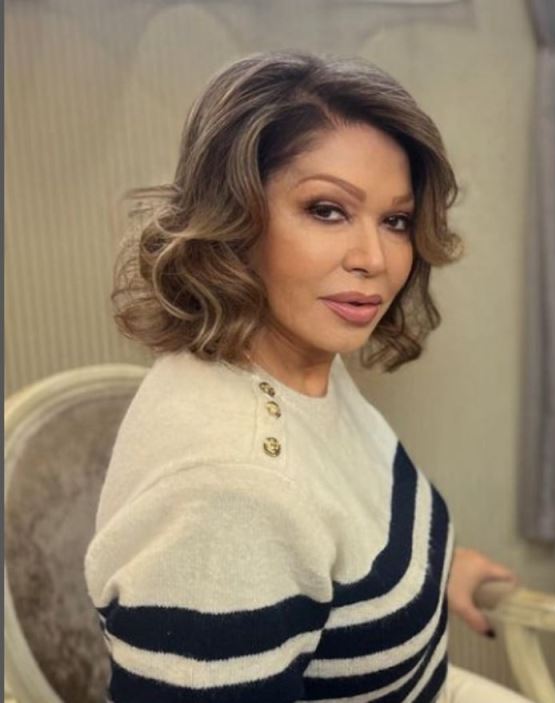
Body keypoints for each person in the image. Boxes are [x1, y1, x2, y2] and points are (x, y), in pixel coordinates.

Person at [84, 51, 531, 703]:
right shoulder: (230, 491)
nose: (374, 258)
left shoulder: (296, 362)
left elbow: (335, 537)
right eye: (327, 209)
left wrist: (428, 577)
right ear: (233, 216)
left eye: (396, 221)